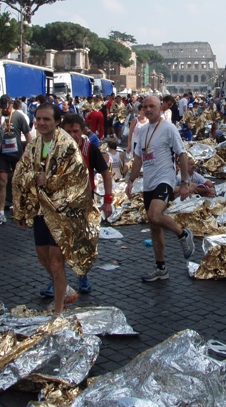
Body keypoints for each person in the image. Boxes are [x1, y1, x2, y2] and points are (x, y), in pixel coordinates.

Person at [12, 103, 100, 316]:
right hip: (42, 210)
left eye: (47, 119)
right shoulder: (33, 146)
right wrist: (22, 209)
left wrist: (50, 180)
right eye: (39, 119)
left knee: (55, 260)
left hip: (63, 211)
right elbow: (20, 173)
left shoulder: (68, 145)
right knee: (43, 257)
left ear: (57, 122)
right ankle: (65, 290)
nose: (41, 123)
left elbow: (77, 177)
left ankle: (58, 311)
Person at [39, 113, 113, 298]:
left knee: (80, 243)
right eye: (68, 131)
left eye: (75, 131)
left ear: (82, 131)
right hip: (58, 201)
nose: (72, 135)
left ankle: (82, 276)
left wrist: (108, 200)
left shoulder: (89, 148)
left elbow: (106, 173)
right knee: (58, 244)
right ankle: (57, 281)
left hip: (82, 201)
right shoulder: (53, 147)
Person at [125, 95, 195, 282]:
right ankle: (161, 267)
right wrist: (131, 181)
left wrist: (185, 183)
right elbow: (139, 158)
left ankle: (183, 234)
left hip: (165, 179)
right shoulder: (144, 130)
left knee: (155, 215)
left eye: (152, 106)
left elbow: (181, 153)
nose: (148, 109)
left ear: (160, 108)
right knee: (154, 226)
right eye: (145, 106)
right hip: (149, 181)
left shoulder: (169, 128)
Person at [0, 94, 32, 226]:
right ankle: (1, 213)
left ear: (11, 105)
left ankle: (19, 207)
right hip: (2, 154)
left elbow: (27, 134)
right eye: (2, 108)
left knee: (18, 181)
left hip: (16, 153)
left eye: (6, 107)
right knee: (2, 182)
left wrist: (30, 152)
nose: (4, 110)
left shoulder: (19, 117)